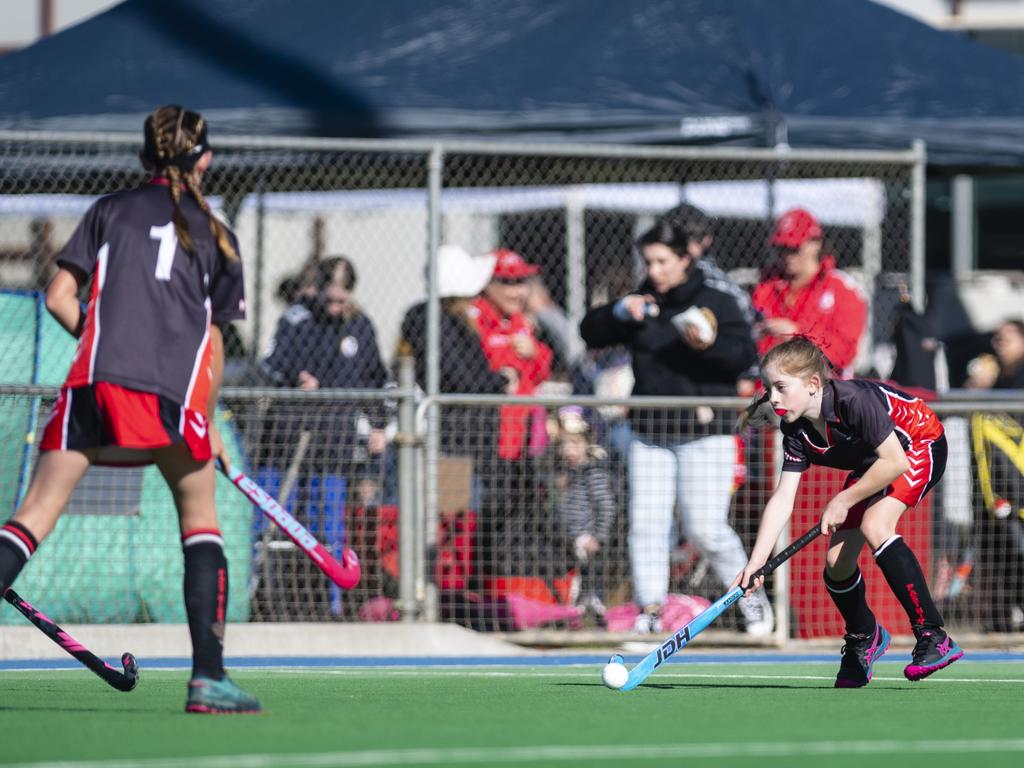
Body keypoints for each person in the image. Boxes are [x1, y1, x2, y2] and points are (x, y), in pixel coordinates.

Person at [0, 106, 258, 713]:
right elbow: (212, 342)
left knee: (31, 517)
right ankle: (208, 679)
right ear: (206, 159)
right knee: (200, 522)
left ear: (143, 158)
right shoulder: (219, 233)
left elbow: (59, 296)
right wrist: (210, 420)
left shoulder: (109, 210)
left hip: (93, 385)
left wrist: (102, 340)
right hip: (173, 398)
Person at [580, 217, 773, 636]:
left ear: (687, 258)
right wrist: (618, 311)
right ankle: (650, 609)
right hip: (650, 433)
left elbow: (743, 356)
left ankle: (748, 594)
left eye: (664, 261)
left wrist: (708, 345)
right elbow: (589, 332)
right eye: (649, 262)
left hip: (707, 432)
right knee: (647, 523)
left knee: (706, 527)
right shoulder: (642, 300)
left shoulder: (718, 297)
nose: (655, 271)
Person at [735, 336, 964, 687]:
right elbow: (783, 498)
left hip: (918, 444)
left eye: (781, 387)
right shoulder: (795, 430)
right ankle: (864, 636)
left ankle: (933, 634)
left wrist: (842, 500)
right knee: (837, 563)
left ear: (813, 384)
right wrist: (755, 563)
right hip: (877, 459)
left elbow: (895, 461)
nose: (773, 398)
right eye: (768, 388)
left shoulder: (854, 401)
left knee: (876, 523)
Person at [258, 255, 392, 615]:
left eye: (341, 300)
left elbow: (375, 378)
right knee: (274, 529)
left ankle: (328, 606)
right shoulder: (297, 320)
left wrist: (380, 423)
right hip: (290, 444)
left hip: (333, 445)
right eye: (329, 299)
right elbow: (271, 365)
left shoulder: (360, 326)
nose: (335, 308)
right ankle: (268, 601)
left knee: (328, 530)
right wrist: (295, 379)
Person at [752, 208, 868, 377]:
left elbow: (845, 353)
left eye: (795, 248)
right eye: (782, 248)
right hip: (770, 387)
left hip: (823, 390)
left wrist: (797, 336)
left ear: (816, 244)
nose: (787, 255)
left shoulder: (841, 289)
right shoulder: (766, 286)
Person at [550, 406, 616, 621]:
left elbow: (605, 505)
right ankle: (574, 613)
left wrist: (597, 536)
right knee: (575, 580)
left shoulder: (593, 472)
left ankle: (596, 612)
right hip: (571, 537)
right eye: (565, 444)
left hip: (589, 538)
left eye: (576, 444)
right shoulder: (566, 472)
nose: (569, 450)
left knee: (591, 580)